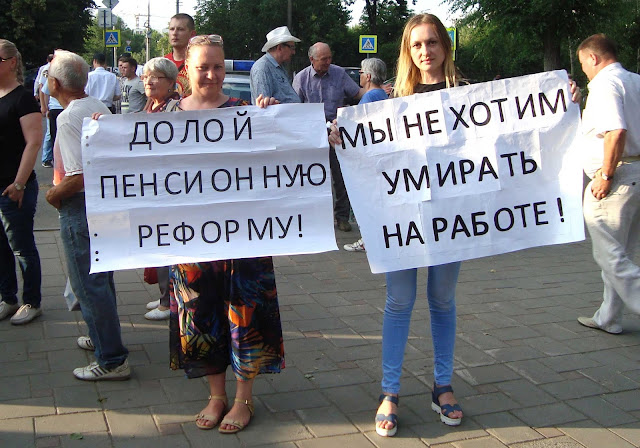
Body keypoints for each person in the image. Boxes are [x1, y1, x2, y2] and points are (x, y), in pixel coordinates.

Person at [329, 14, 581, 436]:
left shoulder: (468, 98)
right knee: (399, 301)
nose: (425, 51)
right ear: (407, 53)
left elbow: (519, 132)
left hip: (452, 222)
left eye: (431, 42)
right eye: (416, 45)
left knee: (442, 300)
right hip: (404, 222)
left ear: (445, 46)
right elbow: (362, 155)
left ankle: (442, 385)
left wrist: (563, 102)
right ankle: (389, 391)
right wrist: (341, 139)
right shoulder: (384, 102)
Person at [165, 34, 284, 435]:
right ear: (187, 70)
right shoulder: (167, 114)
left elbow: (279, 156)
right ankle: (216, 396)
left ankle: (242, 399)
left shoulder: (245, 111)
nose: (212, 74)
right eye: (203, 67)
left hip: (242, 239)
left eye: (218, 66)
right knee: (201, 315)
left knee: (242, 315)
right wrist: (104, 133)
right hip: (190, 240)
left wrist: (271, 115)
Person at [45, 49, 129, 381]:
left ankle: (111, 359)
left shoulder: (67, 118)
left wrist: (52, 194)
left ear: (55, 82)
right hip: (102, 207)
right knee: (101, 281)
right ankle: (102, 339)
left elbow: (79, 175)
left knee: (88, 284)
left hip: (79, 208)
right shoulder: (95, 105)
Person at [576, 34, 640, 335]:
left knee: (609, 255)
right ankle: (609, 317)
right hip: (635, 174)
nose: (585, 72)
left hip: (616, 180)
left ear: (593, 58)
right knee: (620, 251)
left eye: (583, 64)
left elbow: (615, 131)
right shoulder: (635, 81)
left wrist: (605, 175)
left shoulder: (604, 84)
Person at [293, 42, 365, 232]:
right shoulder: (301, 79)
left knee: (340, 177)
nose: (328, 62)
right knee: (314, 177)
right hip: (312, 134)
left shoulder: (339, 73)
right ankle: (316, 218)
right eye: (323, 59)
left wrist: (376, 90)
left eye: (329, 57)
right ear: (312, 60)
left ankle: (342, 217)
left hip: (336, 132)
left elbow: (357, 94)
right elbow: (294, 110)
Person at [0, 39, 43, 325]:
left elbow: (34, 142)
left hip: (15, 186)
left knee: (21, 245)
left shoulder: (23, 98)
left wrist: (19, 183)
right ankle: (7, 297)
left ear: (12, 62)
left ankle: (32, 301)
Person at [140, 57, 179, 320]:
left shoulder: (175, 109)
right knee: (158, 242)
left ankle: (170, 302)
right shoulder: (151, 106)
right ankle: (165, 295)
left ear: (171, 82)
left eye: (156, 77)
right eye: (146, 77)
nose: (149, 81)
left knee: (169, 244)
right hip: (154, 186)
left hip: (170, 188)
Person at [343, 57, 388, 253]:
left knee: (366, 199)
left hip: (367, 156)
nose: (359, 76)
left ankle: (367, 239)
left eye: (360, 73)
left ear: (368, 76)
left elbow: (356, 126)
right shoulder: (381, 95)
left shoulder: (369, 97)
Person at [250, 26, 301, 104]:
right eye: (292, 48)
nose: (293, 52)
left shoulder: (279, 67)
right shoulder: (262, 68)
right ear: (280, 47)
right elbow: (263, 106)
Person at [165, 13, 196, 96]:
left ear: (192, 34)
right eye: (172, 29)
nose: (174, 33)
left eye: (180, 29)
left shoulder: (199, 63)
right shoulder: (163, 63)